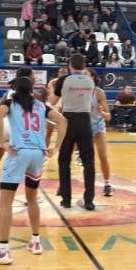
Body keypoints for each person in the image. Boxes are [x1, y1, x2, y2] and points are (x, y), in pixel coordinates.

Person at [0, 77, 67, 265]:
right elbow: (63, 121)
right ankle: (35, 241)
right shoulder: (41, 105)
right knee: (32, 199)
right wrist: (56, 147)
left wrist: (3, 142)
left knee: (6, 202)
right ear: (31, 89)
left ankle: (3, 251)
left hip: (19, 153)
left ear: (15, 89)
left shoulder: (11, 103)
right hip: (38, 154)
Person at [0, 68, 37, 202]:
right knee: (27, 162)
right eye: (33, 76)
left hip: (4, 126)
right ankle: (29, 196)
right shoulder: (29, 93)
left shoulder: (10, 91)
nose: (35, 78)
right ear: (27, 78)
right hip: (17, 129)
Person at [53, 54, 97, 209]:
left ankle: (66, 199)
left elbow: (54, 99)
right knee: (89, 162)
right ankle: (89, 200)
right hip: (85, 121)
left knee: (64, 160)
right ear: (84, 65)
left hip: (68, 120)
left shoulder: (63, 80)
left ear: (70, 65)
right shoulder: (91, 81)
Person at [85, 69, 115, 197]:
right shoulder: (78, 91)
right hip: (84, 127)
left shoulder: (98, 92)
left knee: (102, 155)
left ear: (93, 78)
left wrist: (101, 112)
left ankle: (107, 184)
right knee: (68, 154)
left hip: (97, 125)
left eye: (86, 75)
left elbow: (108, 117)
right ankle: (65, 184)